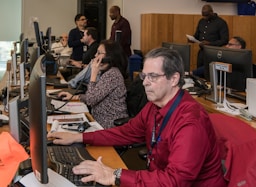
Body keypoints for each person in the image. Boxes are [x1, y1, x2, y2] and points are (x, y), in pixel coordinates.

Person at [48, 47, 227, 186]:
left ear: (174, 79)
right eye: (144, 75)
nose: (145, 82)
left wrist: (115, 175)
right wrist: (79, 137)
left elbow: (175, 181)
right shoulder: (154, 106)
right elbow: (125, 132)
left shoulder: (190, 122)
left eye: (153, 76)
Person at [58, 40, 128, 129]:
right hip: (98, 121)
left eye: (99, 53)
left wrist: (93, 73)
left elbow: (91, 100)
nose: (95, 55)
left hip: (109, 125)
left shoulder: (112, 74)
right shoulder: (106, 72)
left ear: (109, 56)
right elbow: (94, 95)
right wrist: (74, 97)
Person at [192, 36, 256, 78]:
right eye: (227, 44)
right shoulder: (224, 60)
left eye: (230, 44)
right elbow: (208, 67)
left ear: (239, 47)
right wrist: (192, 73)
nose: (226, 46)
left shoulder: (248, 65)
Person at [192, 4, 229, 68]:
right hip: (202, 53)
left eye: (206, 15)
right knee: (199, 73)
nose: (204, 17)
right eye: (203, 15)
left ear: (211, 12)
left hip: (214, 53)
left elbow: (225, 40)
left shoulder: (221, 22)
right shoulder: (201, 21)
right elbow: (197, 35)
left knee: (210, 74)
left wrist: (210, 44)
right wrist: (192, 39)